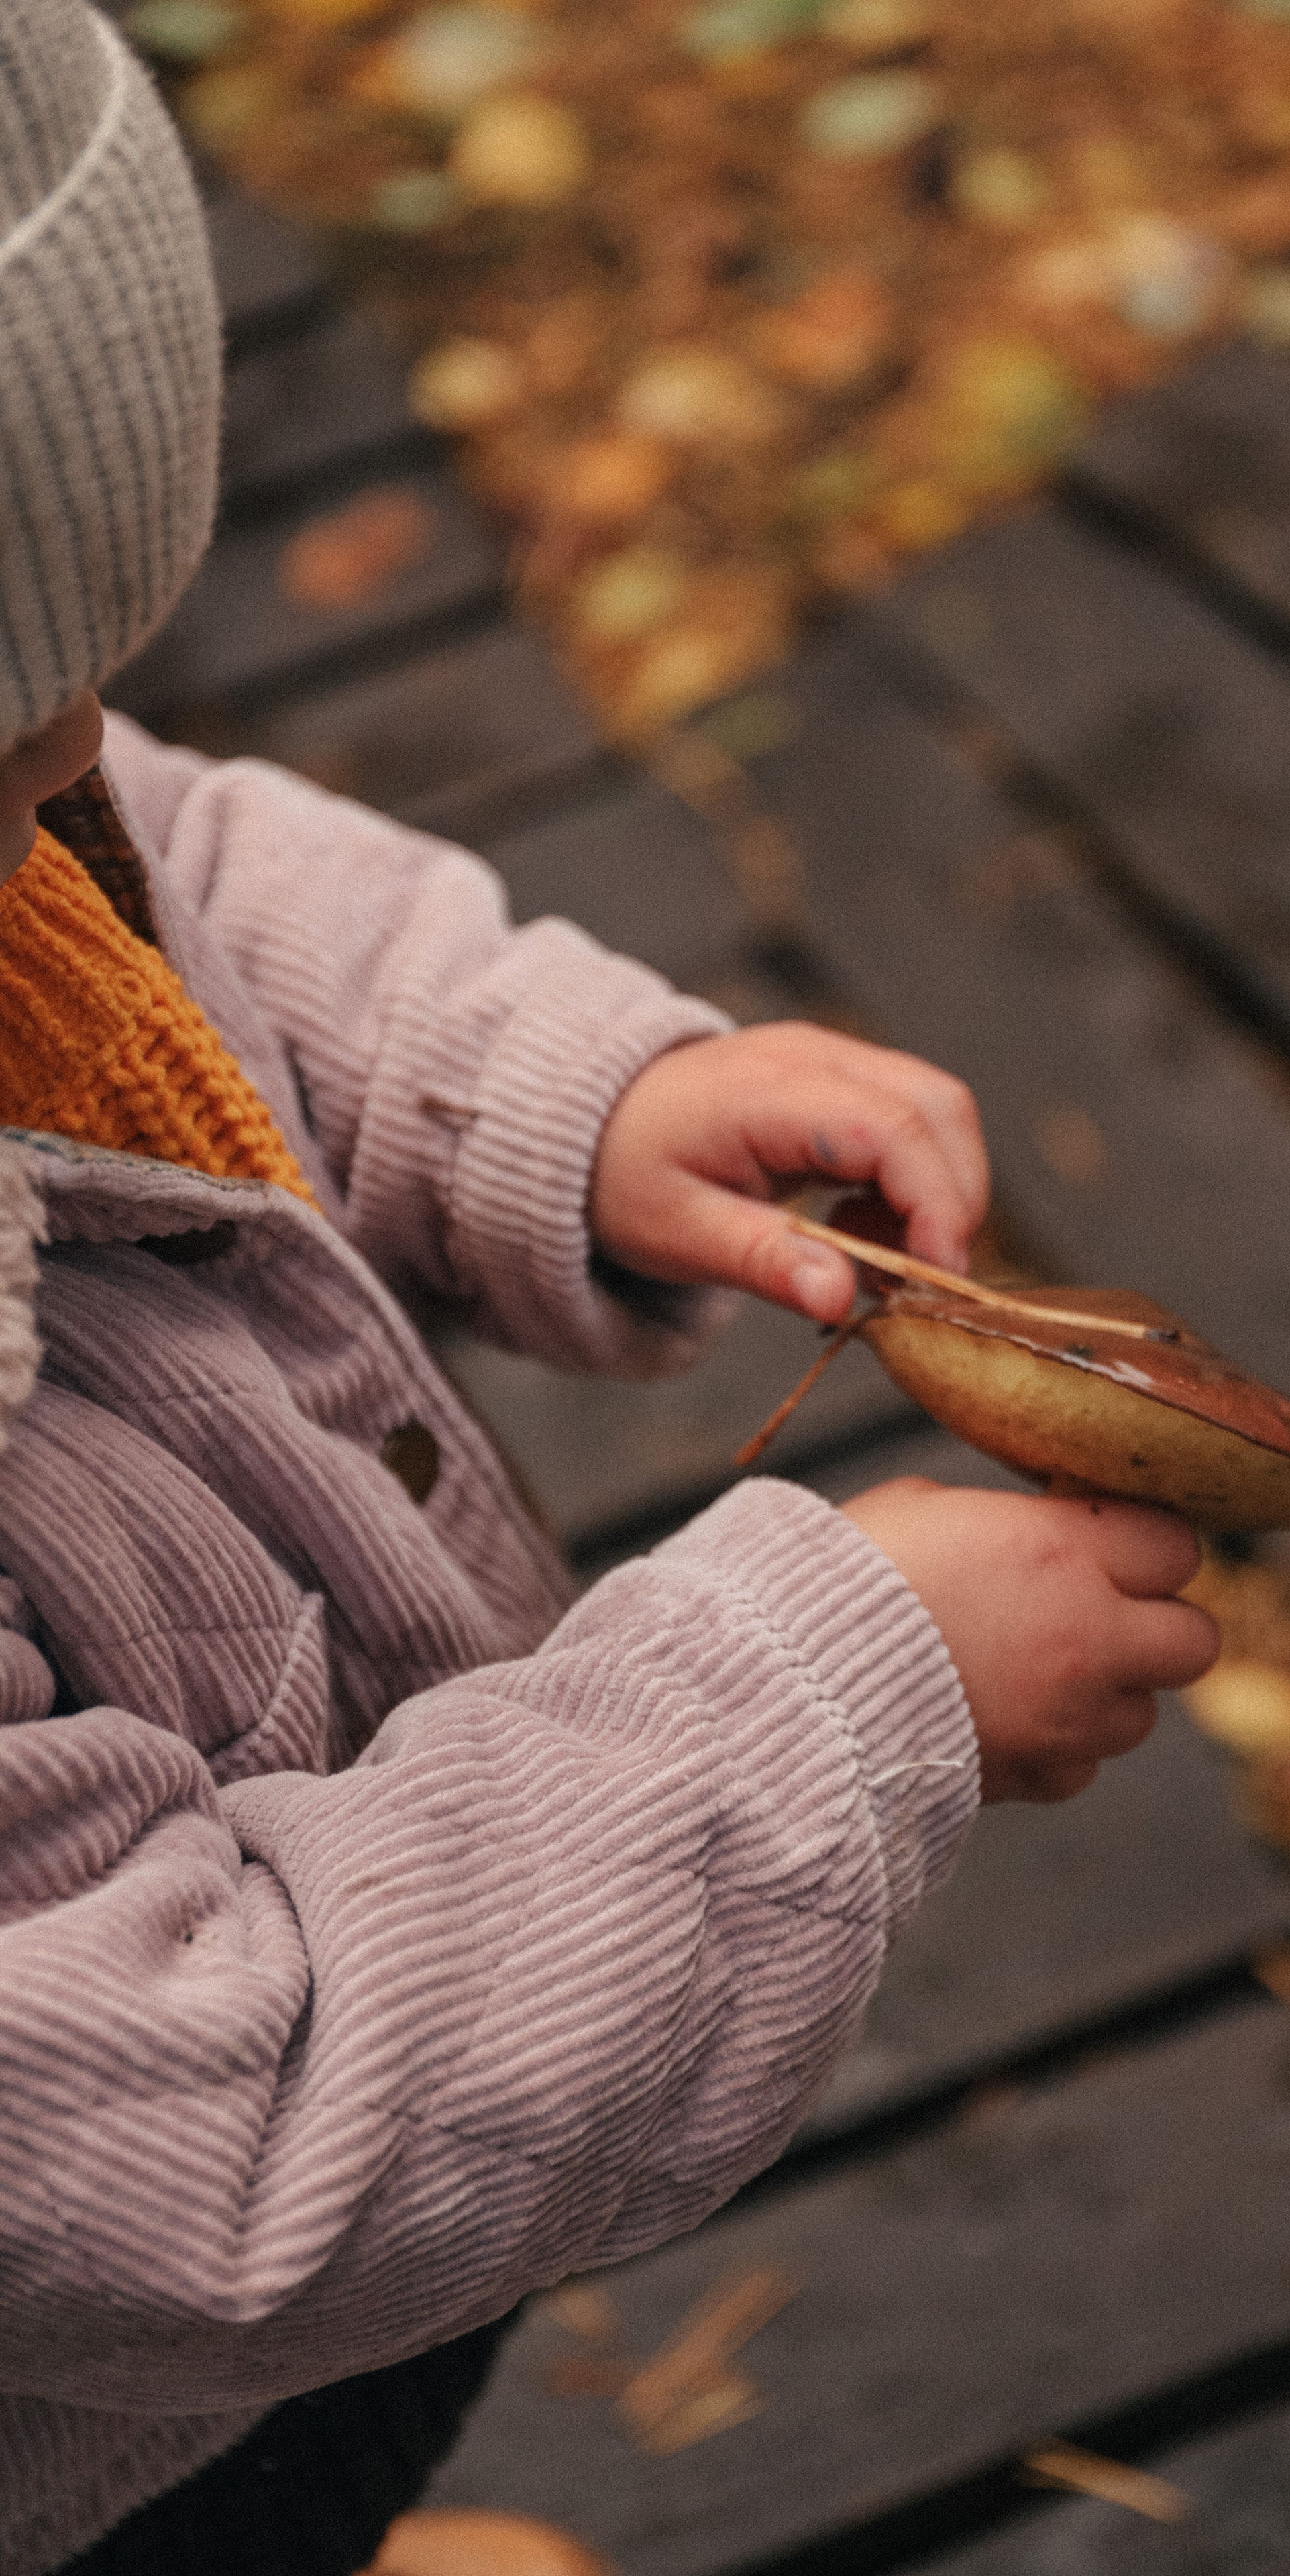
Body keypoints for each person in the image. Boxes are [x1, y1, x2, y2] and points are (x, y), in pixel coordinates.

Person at [0, 8, 1218, 2573]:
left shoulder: (40, 790)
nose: (87, 774)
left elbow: (166, 884)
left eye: (88, 713)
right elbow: (209, 2134)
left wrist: (541, 1089)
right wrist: (831, 1689)